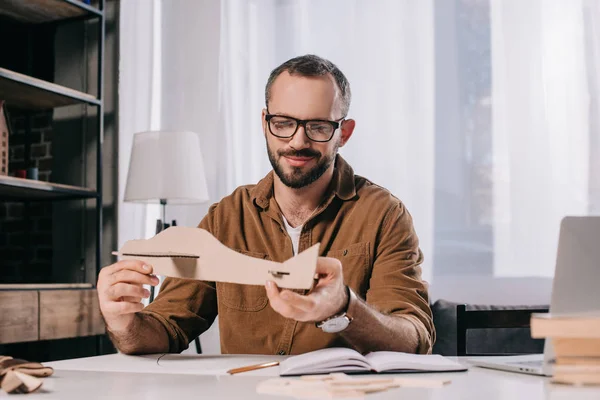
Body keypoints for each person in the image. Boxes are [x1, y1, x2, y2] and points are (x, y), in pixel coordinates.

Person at [98, 54, 435, 356]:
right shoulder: (226, 218)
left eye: (318, 126)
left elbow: (414, 339)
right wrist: (123, 322)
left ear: (343, 133)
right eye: (284, 124)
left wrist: (345, 307)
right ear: (265, 124)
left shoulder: (384, 215)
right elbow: (166, 329)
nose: (298, 141)